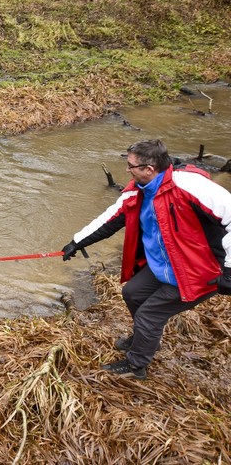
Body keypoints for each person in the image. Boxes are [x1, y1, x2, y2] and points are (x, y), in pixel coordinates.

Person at [61, 139, 231, 380]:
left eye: (131, 166)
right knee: (133, 293)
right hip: (166, 264)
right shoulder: (139, 190)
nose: (127, 170)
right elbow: (112, 217)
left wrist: (229, 270)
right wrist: (77, 242)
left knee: (149, 314)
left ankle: (136, 365)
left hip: (200, 270)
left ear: (149, 169)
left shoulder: (192, 187)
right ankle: (144, 336)